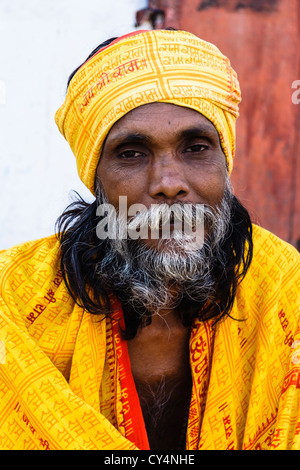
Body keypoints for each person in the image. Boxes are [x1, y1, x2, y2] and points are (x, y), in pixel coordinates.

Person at [0, 29, 299, 451]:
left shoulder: (285, 292)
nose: (168, 184)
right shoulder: (13, 300)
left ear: (224, 161)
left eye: (195, 148)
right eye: (132, 153)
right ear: (95, 178)